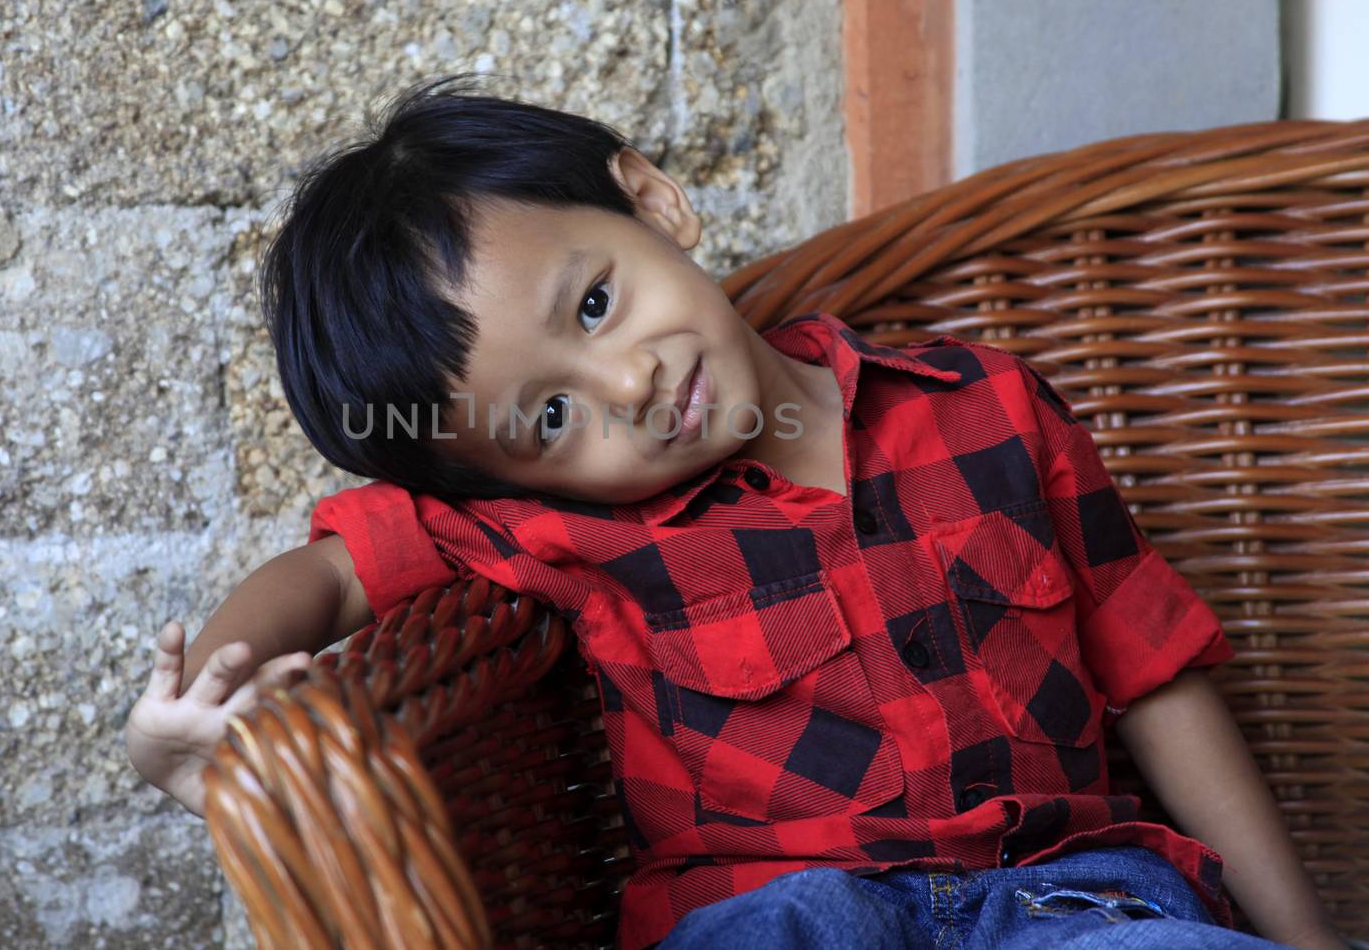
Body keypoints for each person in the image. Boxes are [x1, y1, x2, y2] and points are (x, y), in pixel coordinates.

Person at [125, 78, 1349, 950]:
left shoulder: (991, 410)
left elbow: (1155, 673)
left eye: (595, 303)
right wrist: (209, 698)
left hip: (1071, 899)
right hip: (778, 913)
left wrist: (1299, 934)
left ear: (653, 204)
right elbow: (336, 571)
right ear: (517, 477)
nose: (625, 386)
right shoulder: (565, 529)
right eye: (549, 419)